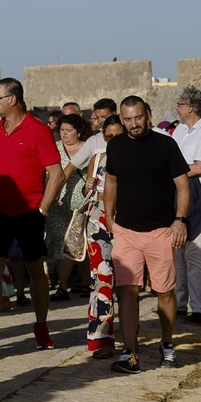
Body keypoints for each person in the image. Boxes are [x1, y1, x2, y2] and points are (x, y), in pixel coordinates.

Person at [0, 78, 65, 357]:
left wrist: (42, 210)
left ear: (12, 100)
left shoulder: (38, 130)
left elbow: (56, 174)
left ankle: (41, 326)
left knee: (35, 270)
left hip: (30, 213)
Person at [102, 96, 191, 373]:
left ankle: (167, 344)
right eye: (127, 119)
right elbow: (111, 182)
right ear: (121, 119)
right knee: (128, 291)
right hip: (126, 231)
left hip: (161, 231)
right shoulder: (115, 145)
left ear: (148, 115)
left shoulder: (166, 144)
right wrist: (109, 217)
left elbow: (183, 185)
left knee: (164, 291)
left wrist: (180, 220)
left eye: (138, 117)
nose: (133, 124)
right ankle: (129, 352)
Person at [168, 86, 201, 324]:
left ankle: (198, 307)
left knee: (196, 251)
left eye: (179, 104)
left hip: (196, 191)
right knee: (177, 251)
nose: (176, 108)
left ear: (190, 107)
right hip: (176, 190)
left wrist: (171, 172)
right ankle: (179, 303)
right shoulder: (179, 130)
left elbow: (200, 167)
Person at [84, 114, 123, 355]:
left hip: (126, 215)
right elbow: (87, 191)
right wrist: (87, 186)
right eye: (109, 137)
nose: (114, 141)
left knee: (128, 279)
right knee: (101, 277)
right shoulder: (98, 157)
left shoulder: (134, 158)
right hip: (98, 217)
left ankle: (129, 335)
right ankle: (102, 338)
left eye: (118, 136)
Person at [45, 113, 93, 300]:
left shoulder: (88, 148)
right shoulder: (54, 148)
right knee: (61, 243)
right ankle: (62, 287)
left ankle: (85, 282)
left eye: (69, 130)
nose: (64, 134)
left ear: (79, 132)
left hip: (81, 203)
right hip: (57, 202)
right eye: (62, 130)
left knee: (81, 243)